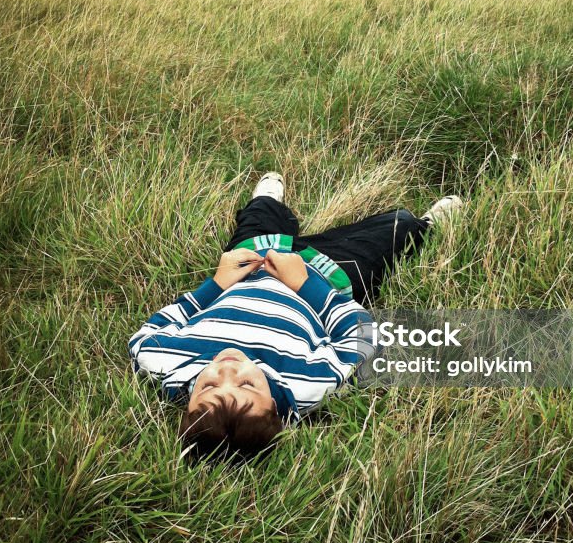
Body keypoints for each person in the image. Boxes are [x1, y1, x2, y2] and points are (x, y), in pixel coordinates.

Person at [128, 172, 462, 462]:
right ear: (275, 408)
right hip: (325, 272)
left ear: (188, 404)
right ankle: (424, 225)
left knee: (259, 217)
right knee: (396, 229)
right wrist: (305, 284)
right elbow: (364, 337)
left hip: (250, 262)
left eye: (208, 385)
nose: (226, 369)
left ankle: (268, 203)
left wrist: (215, 285)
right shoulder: (307, 386)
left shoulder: (168, 366)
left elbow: (146, 335)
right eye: (247, 384)